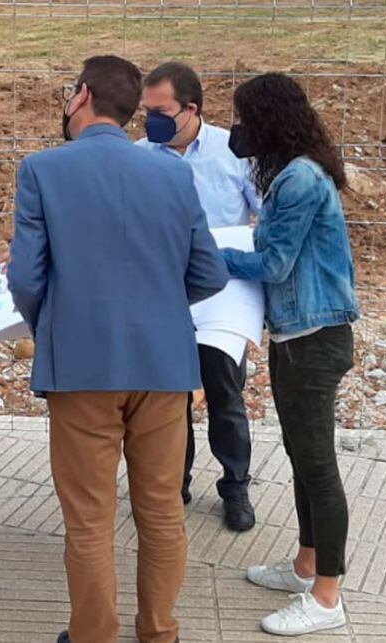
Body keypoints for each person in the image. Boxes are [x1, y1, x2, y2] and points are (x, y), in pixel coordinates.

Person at [7, 56, 229, 643]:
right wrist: (160, 302)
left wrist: (53, 322)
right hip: (164, 363)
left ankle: (93, 635)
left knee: (89, 519)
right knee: (162, 510)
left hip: (80, 366)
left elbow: (26, 277)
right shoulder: (173, 173)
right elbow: (209, 273)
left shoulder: (42, 169)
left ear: (81, 96)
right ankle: (159, 632)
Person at [219, 73, 359, 637]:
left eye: (246, 118)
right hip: (296, 335)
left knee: (318, 467)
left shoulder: (300, 179)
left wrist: (212, 255)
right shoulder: (294, 172)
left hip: (313, 340)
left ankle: (327, 598)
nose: (240, 130)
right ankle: (306, 565)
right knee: (303, 456)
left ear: (269, 121)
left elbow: (275, 265)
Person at [136, 61, 260, 532]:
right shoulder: (139, 156)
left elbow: (265, 216)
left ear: (191, 109)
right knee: (168, 396)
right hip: (163, 292)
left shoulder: (233, 152)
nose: (152, 121)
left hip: (224, 293)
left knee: (225, 393)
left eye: (161, 112)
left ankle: (235, 487)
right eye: (147, 112)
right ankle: (174, 482)